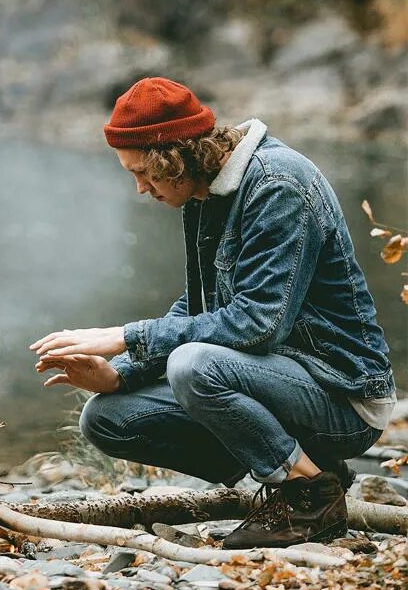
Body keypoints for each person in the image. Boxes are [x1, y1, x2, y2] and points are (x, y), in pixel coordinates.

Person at [30, 77, 396, 549]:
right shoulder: (206, 193)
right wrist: (118, 375)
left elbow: (257, 324)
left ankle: (310, 496)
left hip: (341, 399)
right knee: (105, 417)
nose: (140, 188)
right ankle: (304, 467)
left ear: (176, 159)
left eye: (143, 172)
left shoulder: (277, 184)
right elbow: (197, 308)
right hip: (279, 387)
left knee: (193, 365)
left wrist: (126, 335)